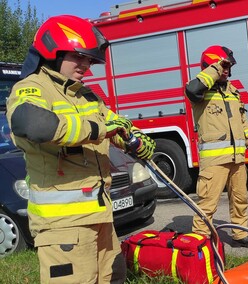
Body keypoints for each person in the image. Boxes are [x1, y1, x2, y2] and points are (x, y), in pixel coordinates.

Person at [6, 15, 155, 283]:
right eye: (80, 57)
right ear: (54, 51)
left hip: (101, 218)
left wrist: (135, 140)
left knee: (115, 277)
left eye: (90, 59)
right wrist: (100, 130)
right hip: (64, 227)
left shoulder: (86, 95)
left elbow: (115, 125)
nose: (87, 65)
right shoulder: (31, 88)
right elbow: (34, 126)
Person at [185, 45, 248, 248]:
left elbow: (243, 122)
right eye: (222, 66)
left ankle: (240, 234)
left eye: (228, 66)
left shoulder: (233, 91)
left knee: (240, 199)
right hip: (214, 161)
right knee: (207, 204)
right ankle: (200, 243)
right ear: (210, 66)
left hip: (237, 159)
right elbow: (192, 90)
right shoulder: (199, 89)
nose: (226, 70)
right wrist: (216, 67)